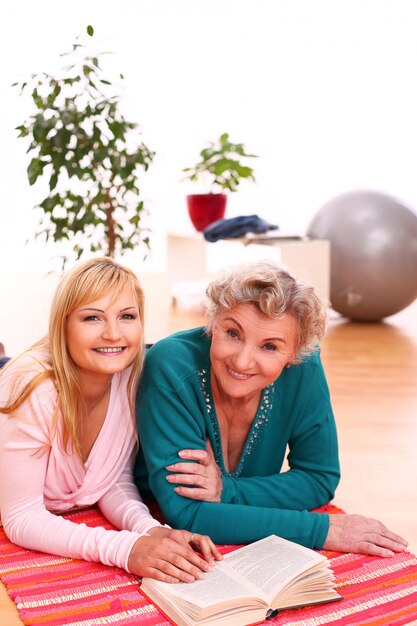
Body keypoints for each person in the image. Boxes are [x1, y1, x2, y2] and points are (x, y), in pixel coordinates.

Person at [134, 260, 408, 558]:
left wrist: (227, 492)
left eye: (270, 347)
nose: (241, 361)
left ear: (294, 354)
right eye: (233, 333)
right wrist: (323, 530)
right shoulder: (170, 365)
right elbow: (187, 512)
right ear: (213, 322)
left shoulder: (304, 369)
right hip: (139, 503)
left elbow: (318, 478)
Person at [0, 257, 221, 584]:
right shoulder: (32, 389)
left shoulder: (131, 376)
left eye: (127, 316)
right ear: (63, 324)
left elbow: (111, 477)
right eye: (92, 317)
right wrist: (127, 549)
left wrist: (153, 532)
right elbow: (21, 518)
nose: (113, 333)